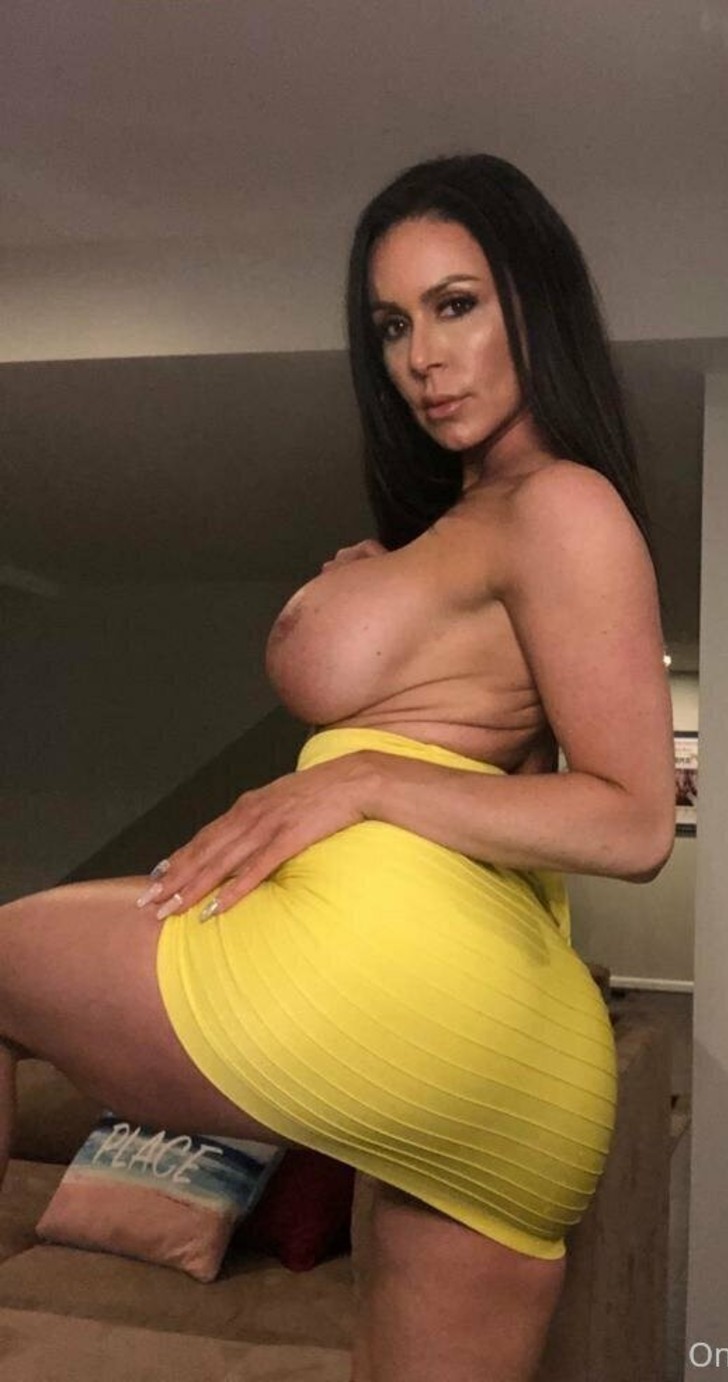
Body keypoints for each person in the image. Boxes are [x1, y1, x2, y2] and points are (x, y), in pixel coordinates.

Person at [0, 153, 675, 1382]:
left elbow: (634, 819)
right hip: (502, 1050)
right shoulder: (481, 522)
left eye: (456, 305)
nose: (423, 357)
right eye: (392, 325)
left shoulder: (563, 505)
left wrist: (360, 781)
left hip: (406, 992)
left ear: (536, 300)